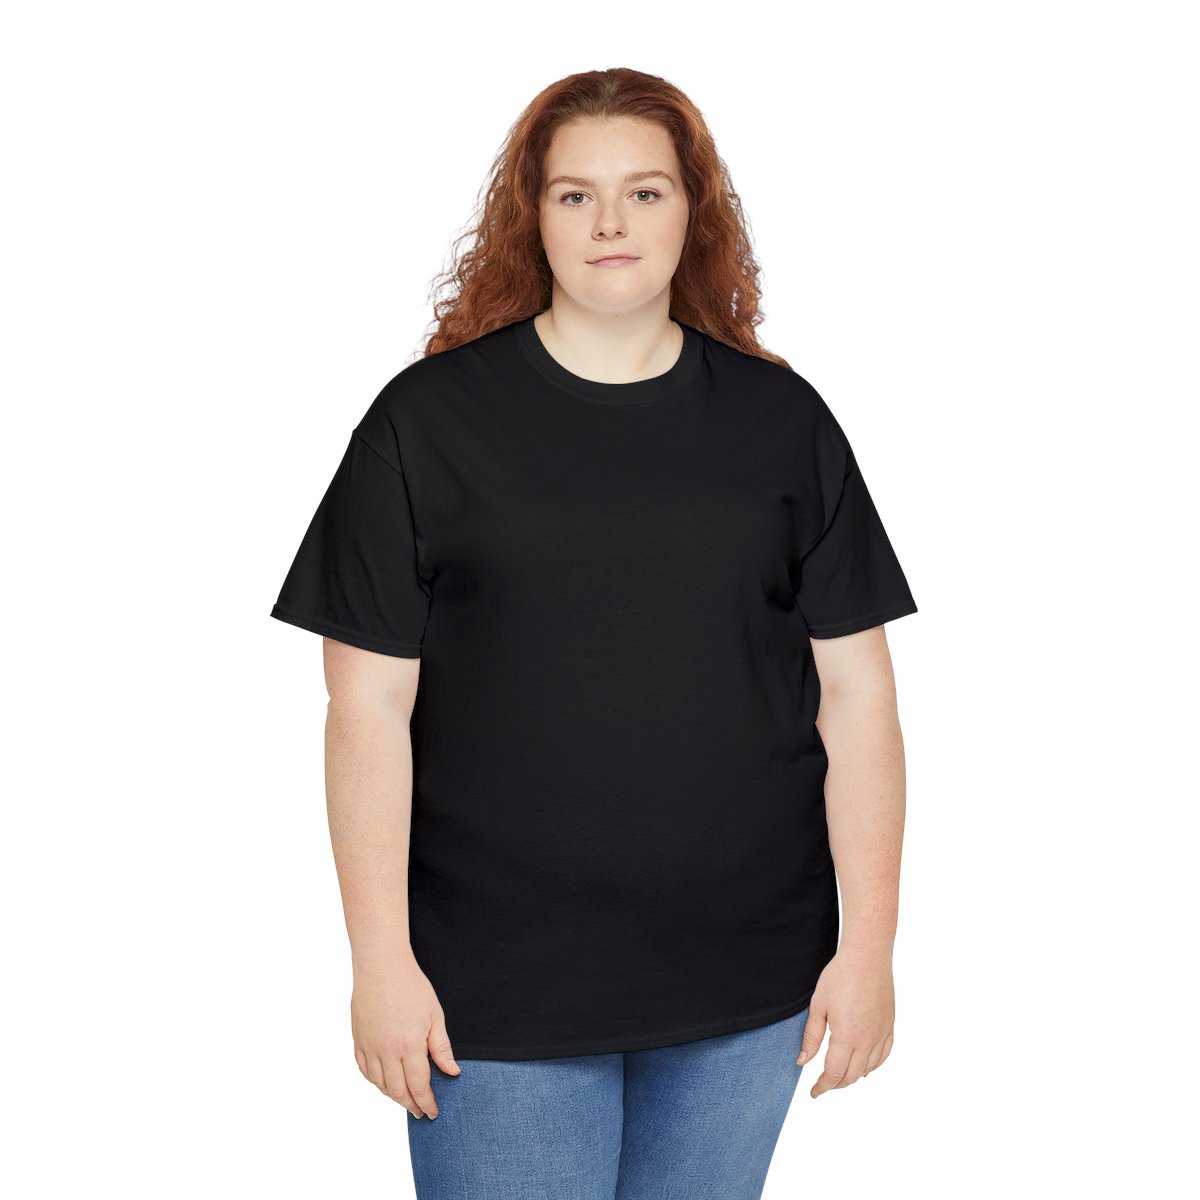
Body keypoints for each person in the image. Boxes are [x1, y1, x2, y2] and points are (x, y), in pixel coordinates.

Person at [269, 66, 918, 1200]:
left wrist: (868, 951)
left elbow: (858, 696)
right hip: (494, 987)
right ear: (535, 216)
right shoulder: (424, 425)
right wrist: (380, 962)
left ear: (693, 211)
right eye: (576, 195)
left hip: (747, 978)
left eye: (644, 192)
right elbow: (366, 706)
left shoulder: (783, 422)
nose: (611, 222)